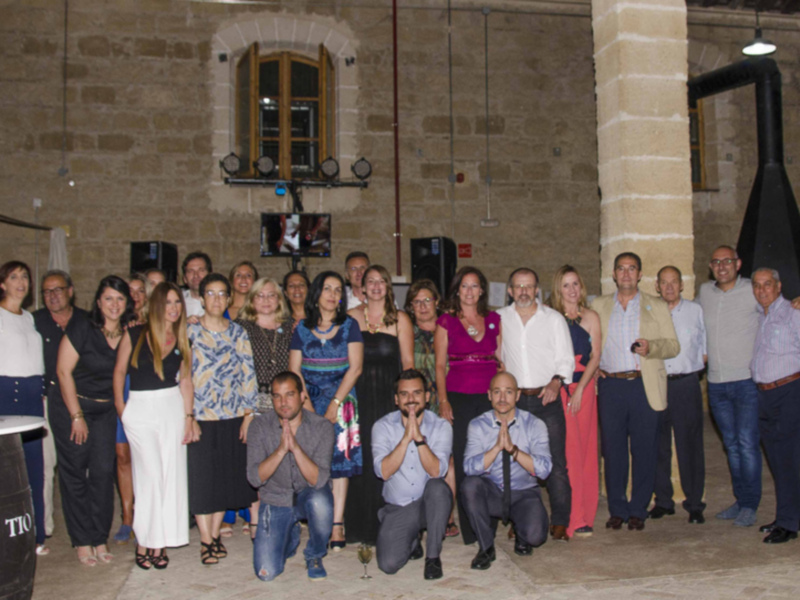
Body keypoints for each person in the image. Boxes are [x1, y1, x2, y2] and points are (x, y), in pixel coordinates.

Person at [591, 252, 679, 532]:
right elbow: (588, 343)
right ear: (613, 274)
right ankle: (617, 508)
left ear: (640, 274)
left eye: (632, 269)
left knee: (644, 450)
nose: (626, 274)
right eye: (621, 269)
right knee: (613, 450)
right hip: (612, 386)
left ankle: (639, 508)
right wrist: (593, 369)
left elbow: (673, 346)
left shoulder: (656, 305)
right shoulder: (599, 305)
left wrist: (652, 347)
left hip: (644, 384)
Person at [113, 282, 199, 569]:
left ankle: (160, 543)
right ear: (157, 305)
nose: (174, 308)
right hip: (139, 409)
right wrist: (122, 410)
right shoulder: (135, 333)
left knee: (169, 476)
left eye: (178, 303)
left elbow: (186, 381)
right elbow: (119, 373)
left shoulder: (183, 337)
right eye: (169, 302)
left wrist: (189, 418)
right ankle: (144, 540)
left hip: (171, 408)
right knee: (148, 476)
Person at [53, 275, 137, 566]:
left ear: (127, 303)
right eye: (108, 298)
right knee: (75, 472)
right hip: (71, 406)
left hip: (105, 411)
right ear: (99, 302)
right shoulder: (83, 327)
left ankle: (99, 537)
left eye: (120, 299)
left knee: (102, 472)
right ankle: (81, 540)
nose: (114, 304)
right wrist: (76, 416)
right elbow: (63, 372)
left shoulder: (129, 331)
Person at [497, 267, 574, 542]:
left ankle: (561, 522)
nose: (524, 291)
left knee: (555, 463)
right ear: (510, 291)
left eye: (529, 286)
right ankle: (520, 519)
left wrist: (556, 382)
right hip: (514, 403)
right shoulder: (499, 319)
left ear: (537, 290)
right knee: (515, 463)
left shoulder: (553, 319)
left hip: (546, 398)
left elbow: (566, 358)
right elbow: (496, 357)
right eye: (518, 286)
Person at [289, 271, 363, 550]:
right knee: (312, 461)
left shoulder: (350, 325)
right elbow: (294, 370)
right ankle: (316, 519)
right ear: (317, 294)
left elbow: (355, 368)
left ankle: (337, 524)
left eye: (337, 290)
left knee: (340, 464)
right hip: (307, 401)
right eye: (327, 289)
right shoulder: (301, 329)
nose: (333, 295)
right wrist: (306, 406)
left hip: (342, 402)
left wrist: (334, 404)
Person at [187, 273, 258, 565]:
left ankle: (214, 535)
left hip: (231, 416)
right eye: (210, 294)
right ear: (201, 298)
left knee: (221, 481)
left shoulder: (238, 332)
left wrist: (248, 415)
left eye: (221, 294)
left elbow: (247, 374)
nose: (216, 299)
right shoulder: (189, 332)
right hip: (200, 417)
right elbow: (182, 377)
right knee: (202, 480)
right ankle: (205, 540)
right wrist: (187, 415)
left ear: (228, 299)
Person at [346, 264, 414, 544]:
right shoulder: (349, 318)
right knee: (358, 460)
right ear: (361, 288)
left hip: (388, 401)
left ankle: (389, 527)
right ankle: (356, 526)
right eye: (369, 281)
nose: (375, 286)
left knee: (387, 456)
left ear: (388, 286)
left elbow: (408, 366)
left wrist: (409, 405)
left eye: (380, 281)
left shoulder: (400, 319)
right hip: (357, 400)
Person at [434, 266, 502, 545]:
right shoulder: (446, 322)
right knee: (464, 460)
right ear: (457, 290)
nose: (470, 291)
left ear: (482, 290)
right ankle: (471, 528)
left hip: (489, 398)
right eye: (465, 286)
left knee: (492, 459)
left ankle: (492, 520)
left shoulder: (494, 319)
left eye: (475, 286)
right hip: (458, 396)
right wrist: (443, 400)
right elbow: (439, 366)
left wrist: (505, 399)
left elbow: (502, 360)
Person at [696, 245, 762, 527]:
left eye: (727, 261)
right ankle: (741, 499)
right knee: (732, 446)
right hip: (717, 384)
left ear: (738, 263)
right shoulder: (704, 293)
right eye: (716, 262)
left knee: (747, 445)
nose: (722, 266)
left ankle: (750, 504)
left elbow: (776, 306)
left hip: (746, 381)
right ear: (711, 267)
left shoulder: (752, 289)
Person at [247, 371, 335, 581]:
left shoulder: (322, 427)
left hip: (308, 495)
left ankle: (314, 554)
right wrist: (280, 451)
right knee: (266, 573)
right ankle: (290, 534)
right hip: (275, 499)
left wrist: (295, 448)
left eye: (289, 395)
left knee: (321, 502)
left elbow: (319, 480)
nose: (283, 402)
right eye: (277, 396)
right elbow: (254, 478)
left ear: (303, 395)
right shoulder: (259, 426)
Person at [461, 372, 552, 569]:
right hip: (493, 493)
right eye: (497, 392)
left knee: (536, 537)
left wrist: (513, 450)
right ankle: (486, 548)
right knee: (470, 485)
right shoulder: (477, 425)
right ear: (489, 395)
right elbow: (469, 468)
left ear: (517, 395)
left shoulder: (535, 425)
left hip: (523, 493)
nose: (502, 398)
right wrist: (495, 449)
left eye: (508, 392)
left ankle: (522, 532)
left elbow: (544, 471)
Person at [372, 369, 453, 580]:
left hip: (430, 506)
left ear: (427, 397)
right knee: (388, 564)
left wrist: (419, 440)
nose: (411, 399)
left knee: (438, 488)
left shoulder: (441, 426)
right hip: (399, 507)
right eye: (404, 394)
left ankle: (433, 557)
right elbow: (383, 472)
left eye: (417, 393)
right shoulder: (382, 427)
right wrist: (405, 439)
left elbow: (437, 471)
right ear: (396, 399)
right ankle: (412, 540)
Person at [650, 266, 707, 525]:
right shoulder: (650, 313)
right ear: (657, 286)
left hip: (685, 385)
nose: (669, 287)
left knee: (690, 446)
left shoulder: (696, 311)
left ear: (682, 285)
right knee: (658, 444)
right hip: (658, 384)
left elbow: (704, 348)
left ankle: (694, 503)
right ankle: (663, 500)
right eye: (664, 282)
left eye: (674, 282)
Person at [34, 269, 88, 540]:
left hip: (82, 402)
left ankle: (84, 526)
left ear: (70, 290)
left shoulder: (87, 320)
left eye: (57, 289)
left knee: (80, 466)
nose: (52, 296)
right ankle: (43, 528)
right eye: (46, 291)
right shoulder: (34, 322)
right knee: (44, 466)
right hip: (46, 402)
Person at [549, 265, 602, 537]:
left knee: (586, 450)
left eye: (575, 284)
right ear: (558, 289)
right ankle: (570, 515)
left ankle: (584, 514)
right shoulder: (551, 318)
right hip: (560, 387)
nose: (572, 290)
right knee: (568, 452)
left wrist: (581, 389)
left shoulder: (591, 316)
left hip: (584, 387)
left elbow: (595, 357)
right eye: (566, 285)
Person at [405, 279, 459, 536]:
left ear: (437, 302)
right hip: (414, 403)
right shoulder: (407, 333)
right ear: (411, 306)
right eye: (417, 302)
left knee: (445, 458)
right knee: (415, 457)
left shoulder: (449, 327)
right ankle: (415, 515)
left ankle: (447, 517)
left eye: (428, 300)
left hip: (443, 400)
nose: (423, 306)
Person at [0, 261, 48, 555]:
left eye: (25, 277)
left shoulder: (29, 318)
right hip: (7, 393)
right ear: (2, 283)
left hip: (32, 395)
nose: (21, 282)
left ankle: (35, 534)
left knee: (34, 466)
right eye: (13, 277)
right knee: (7, 467)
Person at [750, 268, 800, 543]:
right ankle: (788, 514)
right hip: (766, 396)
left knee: (789, 460)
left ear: (778, 287)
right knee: (778, 461)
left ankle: (788, 524)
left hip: (789, 392)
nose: (761, 290)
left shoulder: (793, 314)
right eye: (756, 286)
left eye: (767, 285)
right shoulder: (763, 316)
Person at [182, 251, 212, 318]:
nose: (196, 275)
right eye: (190, 271)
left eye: (201, 270)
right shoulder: (177, 301)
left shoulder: (220, 301)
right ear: (184, 278)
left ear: (210, 275)